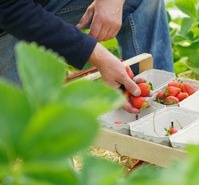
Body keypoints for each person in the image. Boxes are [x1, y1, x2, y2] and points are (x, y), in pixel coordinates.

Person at [0, 0, 173, 113]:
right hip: (10, 19)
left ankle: (158, 107)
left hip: (41, 5)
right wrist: (95, 54)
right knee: (26, 130)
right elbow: (9, 8)